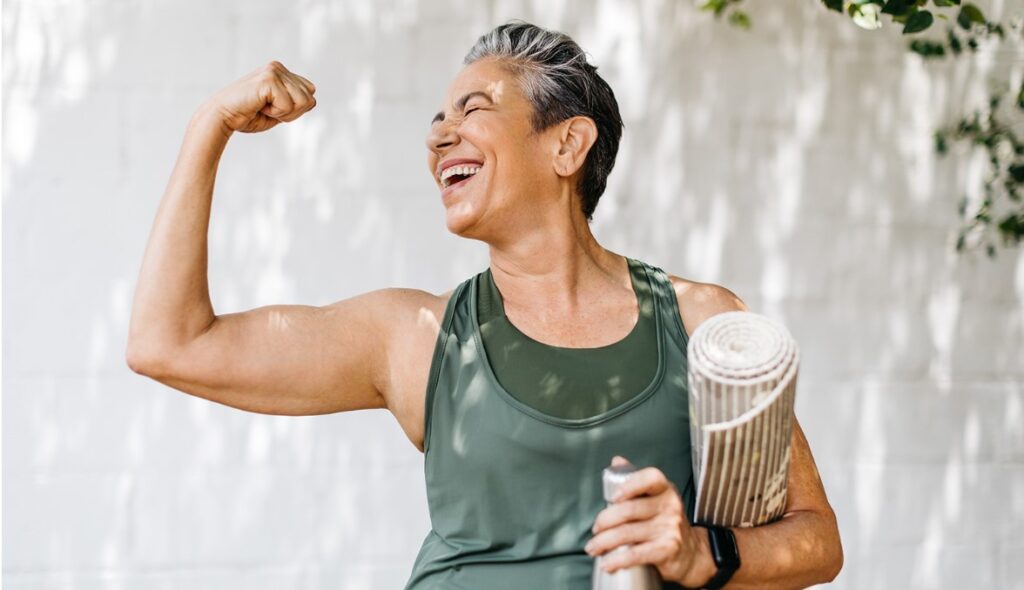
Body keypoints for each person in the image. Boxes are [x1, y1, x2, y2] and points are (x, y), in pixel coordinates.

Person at [126, 20, 843, 590]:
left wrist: (699, 553)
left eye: (474, 109)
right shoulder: (417, 336)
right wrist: (208, 126)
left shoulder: (701, 321)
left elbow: (815, 539)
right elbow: (167, 343)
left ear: (567, 144)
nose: (440, 134)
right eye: (438, 118)